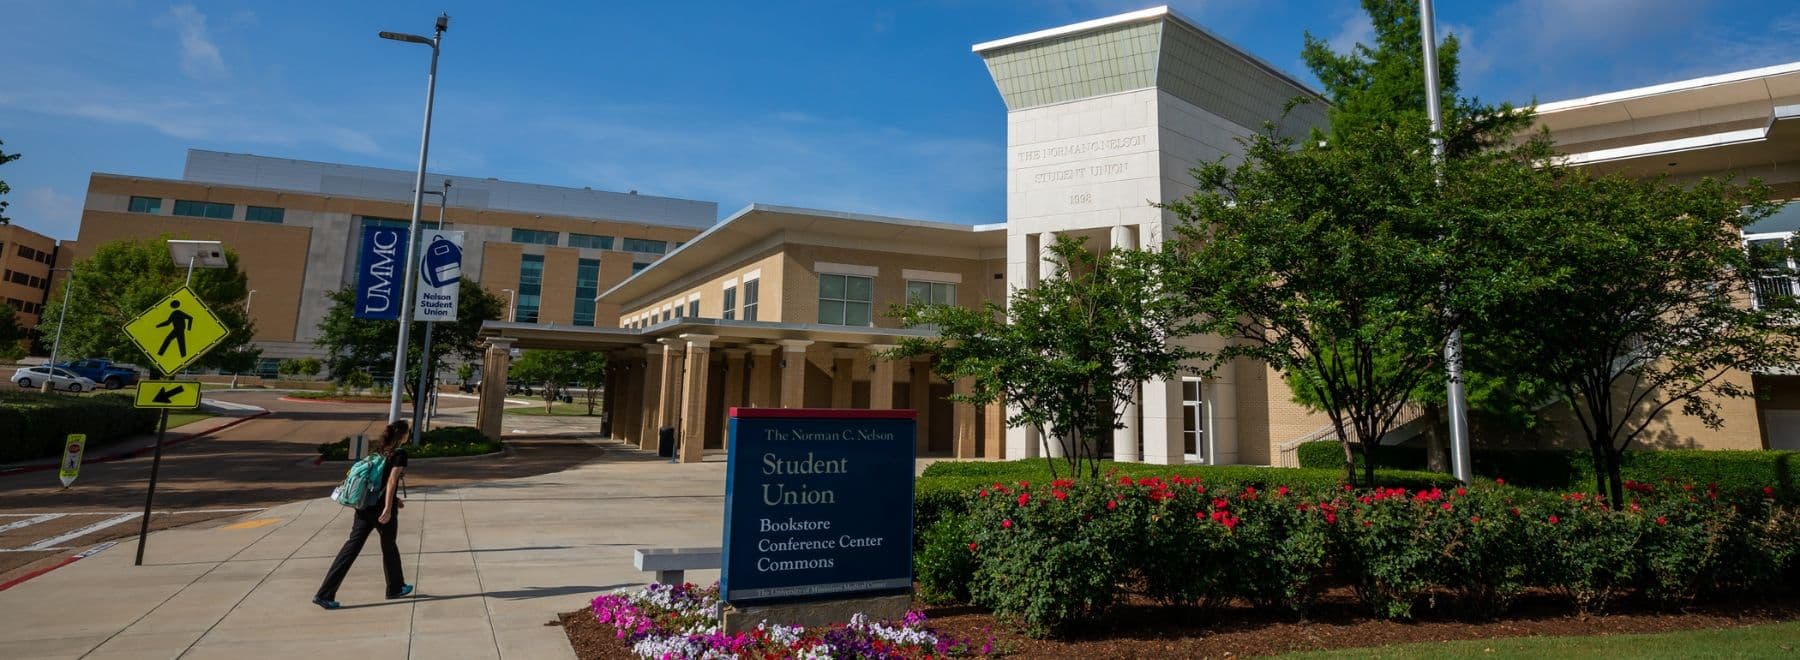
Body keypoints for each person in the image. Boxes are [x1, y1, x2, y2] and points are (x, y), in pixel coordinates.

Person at [313, 421, 413, 609]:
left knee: (351, 549)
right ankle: (395, 588)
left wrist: (395, 500)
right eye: (408, 432)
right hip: (381, 508)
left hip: (364, 506)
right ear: (402, 435)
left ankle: (324, 593)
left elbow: (378, 482)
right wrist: (387, 508)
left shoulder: (380, 451)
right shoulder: (400, 454)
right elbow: (391, 481)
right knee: (389, 545)